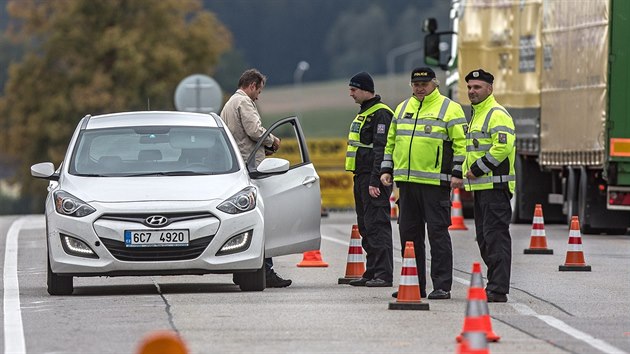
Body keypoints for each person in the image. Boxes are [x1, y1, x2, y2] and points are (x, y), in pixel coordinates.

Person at [380, 67, 467, 300]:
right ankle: (413, 283)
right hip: (407, 185)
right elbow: (391, 143)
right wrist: (386, 169)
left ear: (435, 84)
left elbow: (462, 145)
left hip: (435, 184)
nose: (420, 88)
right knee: (409, 236)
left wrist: (457, 173)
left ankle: (441, 286)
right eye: (416, 85)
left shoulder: (450, 108)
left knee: (437, 235)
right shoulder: (402, 108)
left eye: (424, 84)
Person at [220, 68, 290, 288]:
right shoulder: (244, 103)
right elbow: (254, 130)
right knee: (261, 219)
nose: (259, 96)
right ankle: (265, 270)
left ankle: (243, 270)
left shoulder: (228, 104)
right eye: (259, 90)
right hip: (251, 169)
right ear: (251, 86)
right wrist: (273, 141)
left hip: (237, 167)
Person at [463, 69, 516, 303]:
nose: (472, 91)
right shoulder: (477, 114)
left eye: (477, 87)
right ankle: (494, 284)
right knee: (484, 239)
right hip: (481, 189)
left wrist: (477, 168)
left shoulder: (496, 113)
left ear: (489, 89)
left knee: (495, 239)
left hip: (495, 188)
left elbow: (502, 147)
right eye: (470, 87)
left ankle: (498, 289)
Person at [344, 72, 394, 287]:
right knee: (366, 226)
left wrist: (375, 180)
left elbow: (381, 150)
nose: (351, 94)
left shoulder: (381, 114)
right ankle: (371, 271)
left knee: (377, 226)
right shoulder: (365, 112)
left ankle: (383, 274)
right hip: (361, 176)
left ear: (366, 90)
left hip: (374, 179)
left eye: (354, 89)